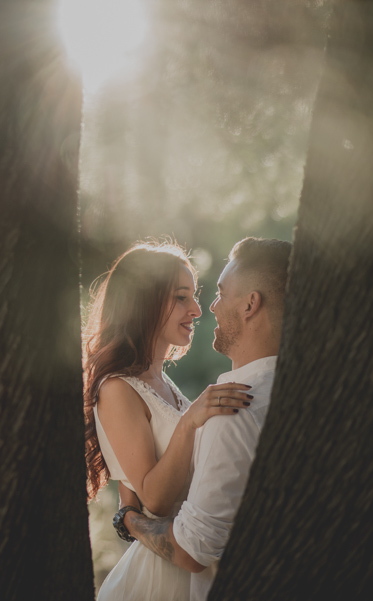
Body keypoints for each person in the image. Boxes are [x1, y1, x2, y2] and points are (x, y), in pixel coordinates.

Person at [116, 237, 292, 601]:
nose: (206, 307)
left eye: (219, 293)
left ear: (250, 305)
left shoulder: (233, 410)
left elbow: (190, 551)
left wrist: (129, 520)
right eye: (184, 297)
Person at [84, 240, 253, 601]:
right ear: (143, 300)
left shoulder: (163, 383)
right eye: (181, 297)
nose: (195, 309)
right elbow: (156, 500)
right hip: (160, 579)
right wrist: (191, 421)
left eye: (194, 296)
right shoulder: (117, 388)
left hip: (197, 559)